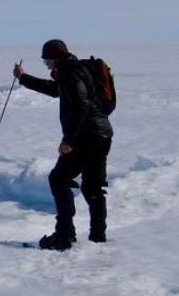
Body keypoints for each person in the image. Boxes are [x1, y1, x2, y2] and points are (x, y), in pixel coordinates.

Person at [13, 39, 113, 251]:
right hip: (103, 133)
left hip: (88, 135)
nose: (47, 65)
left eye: (47, 61)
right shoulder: (75, 70)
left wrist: (69, 140)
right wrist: (23, 78)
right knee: (92, 186)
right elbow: (55, 90)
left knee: (58, 178)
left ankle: (64, 235)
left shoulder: (70, 72)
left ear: (55, 58)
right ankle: (98, 238)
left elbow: (81, 104)